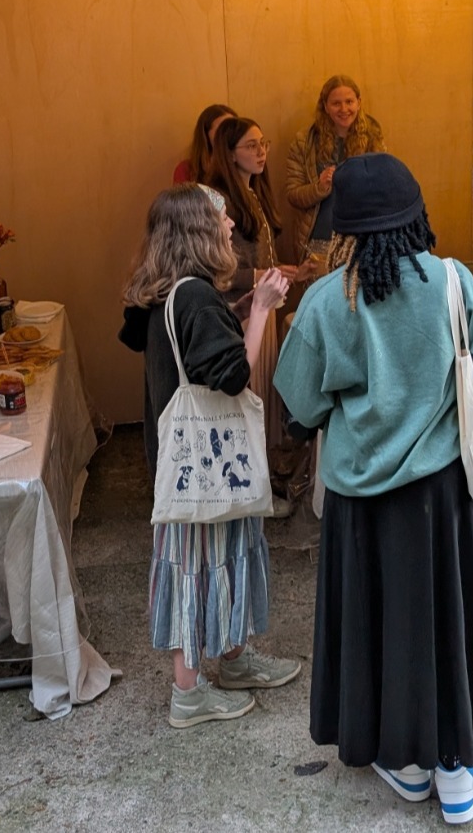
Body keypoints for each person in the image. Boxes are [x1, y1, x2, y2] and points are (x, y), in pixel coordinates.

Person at [274, 153, 473, 827]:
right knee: (442, 622)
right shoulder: (452, 282)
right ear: (418, 216)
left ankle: (402, 766)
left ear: (344, 229)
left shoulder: (326, 301)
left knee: (376, 624)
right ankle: (455, 774)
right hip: (439, 497)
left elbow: (298, 404)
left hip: (359, 498)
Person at [123, 183, 301, 728]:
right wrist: (261, 311)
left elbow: (197, 351)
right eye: (220, 217)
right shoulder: (196, 297)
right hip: (201, 466)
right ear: (199, 230)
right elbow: (232, 376)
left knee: (217, 557)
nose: (229, 226)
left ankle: (233, 660)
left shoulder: (171, 292)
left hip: (186, 463)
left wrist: (238, 310)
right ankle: (189, 693)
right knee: (196, 568)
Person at [209, 117, 314, 516]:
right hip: (240, 312)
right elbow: (221, 273)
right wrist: (265, 278)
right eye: (251, 146)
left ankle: (259, 478)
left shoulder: (252, 192)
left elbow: (259, 263)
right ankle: (246, 488)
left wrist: (289, 272)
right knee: (245, 399)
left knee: (262, 399)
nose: (261, 152)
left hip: (262, 307)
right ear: (229, 153)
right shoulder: (221, 202)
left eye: (263, 143)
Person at [285, 75, 385, 272]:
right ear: (325, 106)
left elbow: (384, 191)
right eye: (336, 103)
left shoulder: (374, 138)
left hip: (362, 241)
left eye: (349, 102)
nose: (344, 109)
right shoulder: (304, 142)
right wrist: (319, 187)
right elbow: (293, 195)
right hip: (319, 243)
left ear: (359, 102)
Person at [173, 103, 236, 185]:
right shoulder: (186, 169)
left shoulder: (244, 164)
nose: (228, 134)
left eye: (232, 129)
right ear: (205, 134)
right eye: (221, 129)